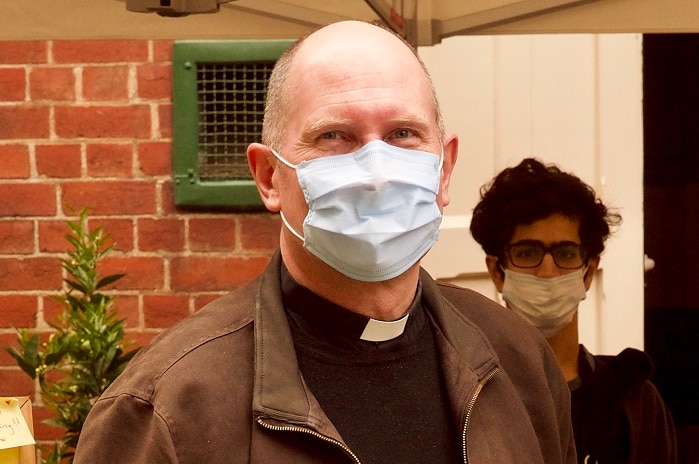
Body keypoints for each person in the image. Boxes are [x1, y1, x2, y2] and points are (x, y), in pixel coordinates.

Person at [73, 22, 575, 464]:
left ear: (443, 169)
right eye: (335, 137)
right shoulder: (168, 405)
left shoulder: (516, 360)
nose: (378, 172)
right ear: (269, 176)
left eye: (403, 133)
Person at [470, 157, 677, 463]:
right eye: (528, 253)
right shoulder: (468, 396)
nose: (548, 271)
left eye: (566, 253)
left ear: (588, 272)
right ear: (497, 272)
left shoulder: (636, 403)